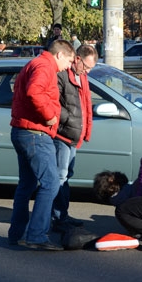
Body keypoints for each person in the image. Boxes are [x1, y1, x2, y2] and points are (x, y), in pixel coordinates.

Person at [8, 40, 75, 251]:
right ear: (60, 55)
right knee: (51, 183)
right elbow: (34, 92)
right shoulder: (44, 67)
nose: (69, 66)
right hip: (35, 134)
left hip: (22, 131)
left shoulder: (35, 64)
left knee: (26, 185)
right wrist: (49, 117)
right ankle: (36, 235)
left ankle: (17, 234)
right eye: (69, 60)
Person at [51, 45, 98, 232]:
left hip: (73, 134)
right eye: (86, 66)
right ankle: (56, 218)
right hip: (61, 134)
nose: (87, 71)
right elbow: (54, 103)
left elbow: (86, 105)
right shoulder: (62, 74)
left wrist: (85, 129)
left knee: (66, 176)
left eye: (90, 69)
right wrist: (70, 120)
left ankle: (63, 214)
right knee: (59, 177)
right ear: (77, 59)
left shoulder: (83, 77)